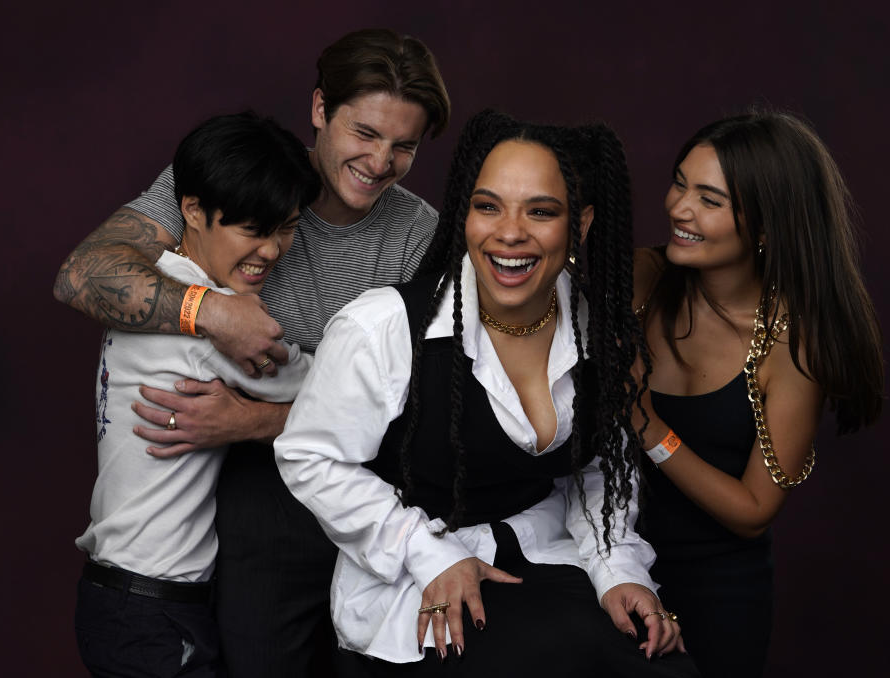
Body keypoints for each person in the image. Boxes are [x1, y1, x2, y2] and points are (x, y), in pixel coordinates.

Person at [54, 28, 450, 677]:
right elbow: (80, 274)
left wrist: (253, 420)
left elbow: (422, 399)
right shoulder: (236, 171)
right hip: (220, 538)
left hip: (359, 486)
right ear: (321, 109)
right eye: (365, 134)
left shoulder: (416, 232)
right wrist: (212, 314)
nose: (380, 161)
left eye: (403, 145)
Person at [274, 110, 698, 677]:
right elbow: (310, 456)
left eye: (541, 211)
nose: (509, 232)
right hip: (419, 580)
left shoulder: (596, 326)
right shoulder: (383, 327)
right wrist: (428, 554)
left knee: (663, 668)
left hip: (544, 559)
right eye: (487, 205)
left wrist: (618, 569)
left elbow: (599, 468)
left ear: (582, 223)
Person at [632, 110, 885, 677]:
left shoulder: (791, 344)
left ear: (768, 226)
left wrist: (647, 428)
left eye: (710, 199)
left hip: (718, 596)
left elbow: (753, 513)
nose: (679, 208)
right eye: (679, 182)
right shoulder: (642, 279)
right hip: (611, 574)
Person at [73, 111, 319, 677]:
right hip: (152, 609)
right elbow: (326, 384)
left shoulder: (149, 292)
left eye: (287, 228)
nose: (274, 250)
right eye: (254, 230)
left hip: (124, 599)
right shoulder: (212, 327)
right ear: (192, 211)